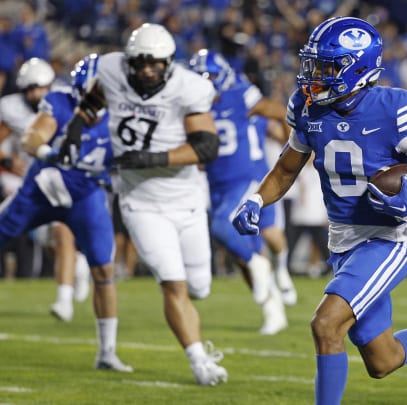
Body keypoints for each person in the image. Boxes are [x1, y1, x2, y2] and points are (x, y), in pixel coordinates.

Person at [231, 17, 407, 404]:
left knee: (326, 323)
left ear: (357, 67)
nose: (314, 75)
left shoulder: (392, 109)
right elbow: (286, 168)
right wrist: (255, 199)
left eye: (327, 66)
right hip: (343, 242)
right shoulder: (308, 108)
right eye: (314, 64)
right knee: (382, 360)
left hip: (385, 240)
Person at [58, 23, 227, 386]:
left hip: (186, 200)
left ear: (168, 62)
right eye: (141, 63)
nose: (147, 70)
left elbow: (206, 147)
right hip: (141, 202)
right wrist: (77, 124)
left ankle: (197, 345)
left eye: (155, 63)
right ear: (130, 61)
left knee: (199, 287)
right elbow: (97, 96)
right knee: (173, 284)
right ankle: (199, 361)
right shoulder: (110, 68)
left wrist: (150, 158)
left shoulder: (189, 86)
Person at [0, 54, 131, 372]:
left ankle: (107, 352)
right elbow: (32, 138)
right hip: (41, 191)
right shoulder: (58, 102)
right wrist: (51, 153)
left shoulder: (122, 112)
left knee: (103, 269)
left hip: (86, 193)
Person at [188, 49, 289, 335]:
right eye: (200, 77)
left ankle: (273, 269)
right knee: (241, 250)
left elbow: (280, 112)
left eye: (210, 76)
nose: (206, 82)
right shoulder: (191, 106)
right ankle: (273, 309)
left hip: (247, 177)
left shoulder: (240, 94)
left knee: (224, 227)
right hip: (217, 183)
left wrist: (289, 147)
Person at [0, 57, 89, 313]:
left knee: (62, 231)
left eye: (40, 88)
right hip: (27, 180)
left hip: (61, 176)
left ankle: (64, 300)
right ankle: (79, 263)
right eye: (29, 89)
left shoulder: (66, 102)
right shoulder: (12, 108)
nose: (36, 94)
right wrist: (8, 159)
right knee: (48, 241)